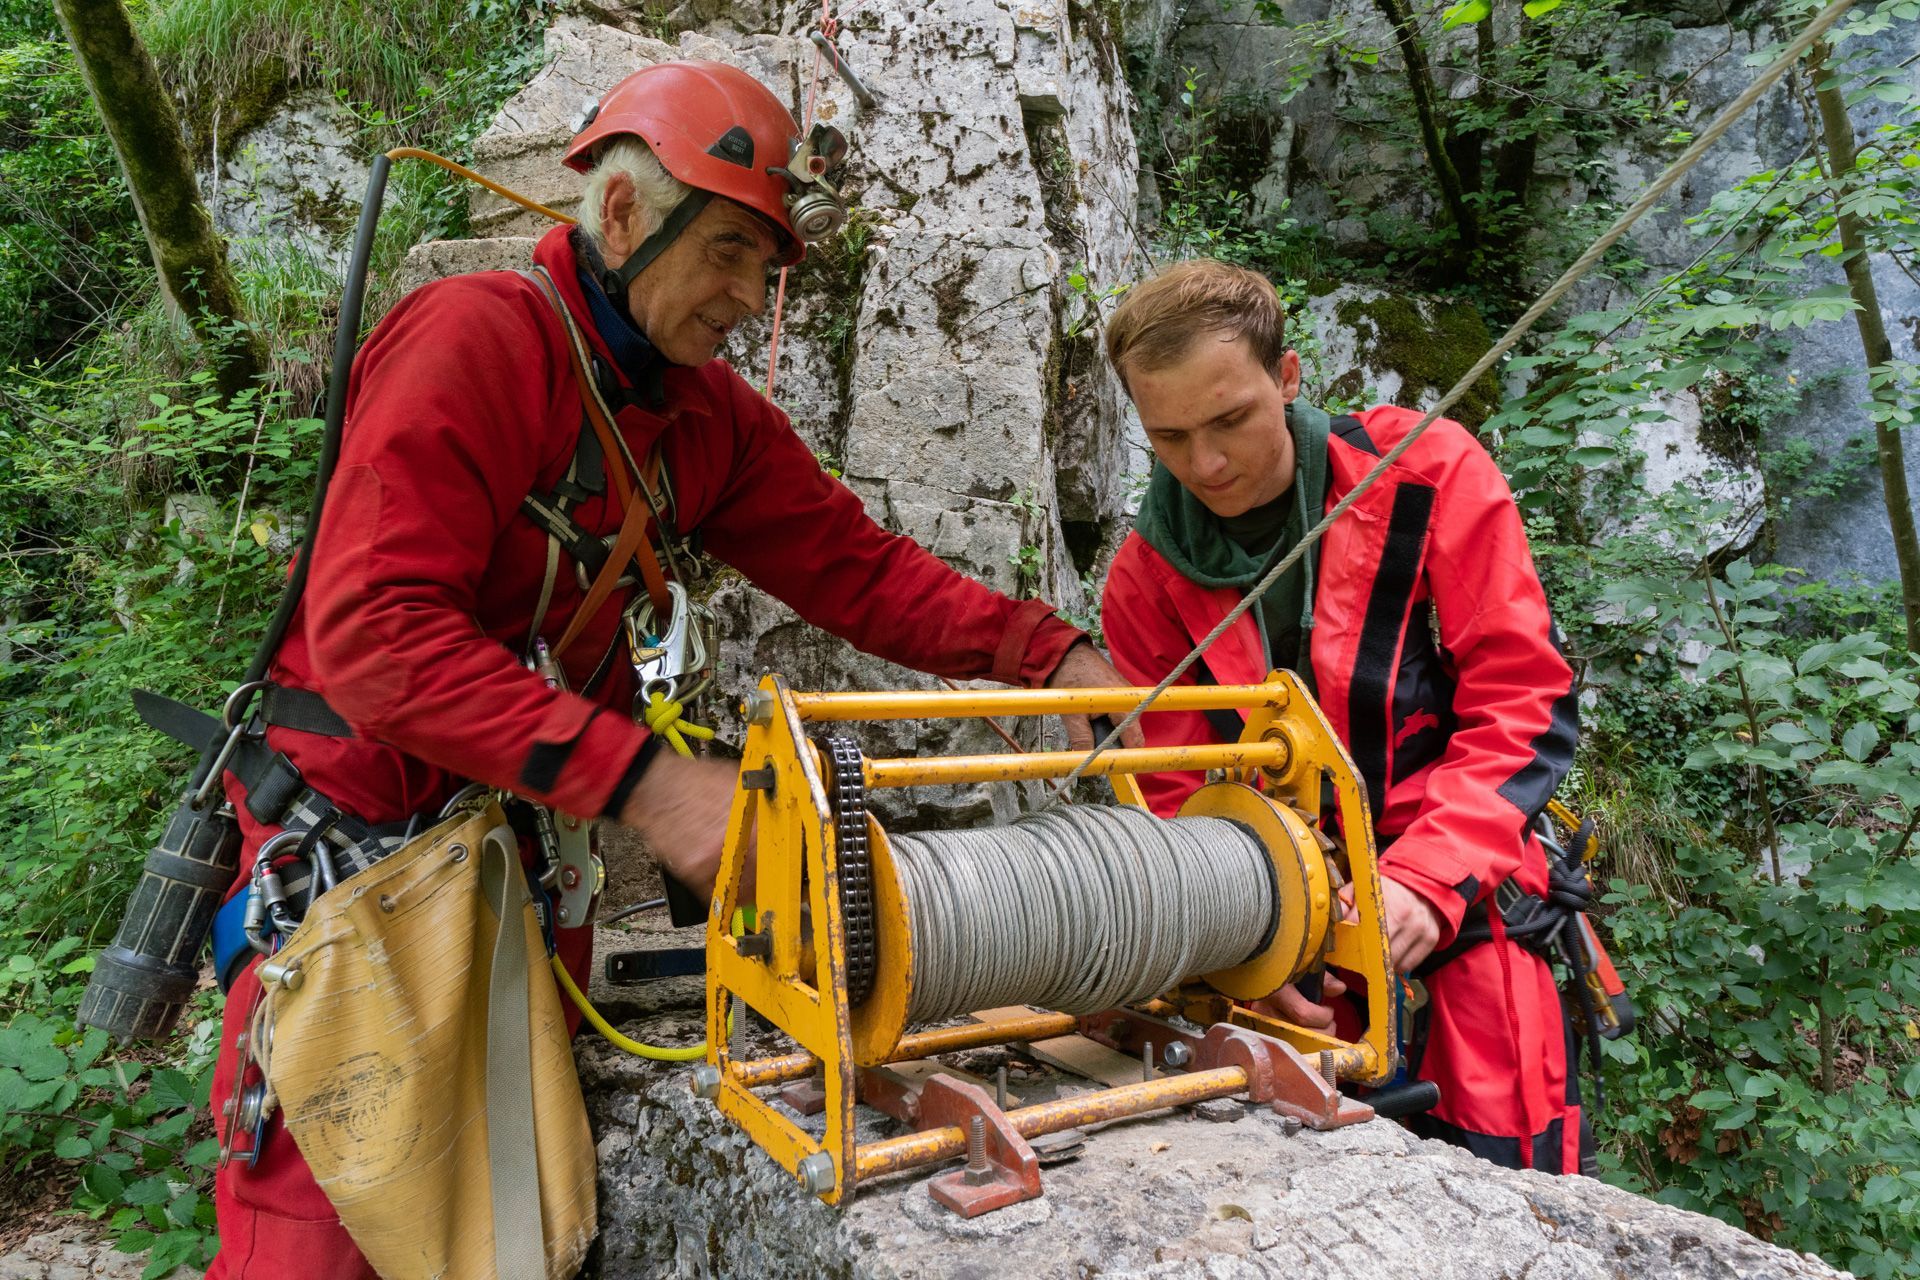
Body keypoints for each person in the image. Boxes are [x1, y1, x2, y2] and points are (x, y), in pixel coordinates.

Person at [204, 60, 1140, 1278]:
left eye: (766, 264)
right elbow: (376, 639)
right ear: (627, 215)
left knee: (513, 1205)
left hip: (509, 862)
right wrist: (648, 781)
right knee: (327, 1224)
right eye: (731, 254)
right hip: (352, 863)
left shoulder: (700, 420)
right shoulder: (475, 341)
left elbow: (857, 568)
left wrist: (1047, 651)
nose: (749, 296)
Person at [1097, 259, 1587, 1174]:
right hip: (1284, 931)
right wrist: (1245, 941)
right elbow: (1175, 793)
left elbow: (1524, 696)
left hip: (1465, 891)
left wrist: (1425, 880)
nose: (1205, 464)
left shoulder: (1424, 473)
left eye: (1231, 420)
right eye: (1169, 437)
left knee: (1509, 1168)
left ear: (1286, 380)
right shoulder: (1144, 580)